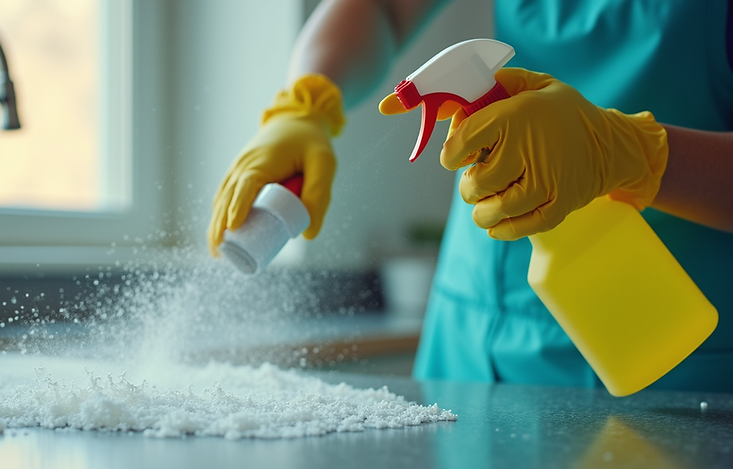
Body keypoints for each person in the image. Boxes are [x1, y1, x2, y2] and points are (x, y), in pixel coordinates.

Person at [208, 0, 733, 392]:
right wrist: (306, 103)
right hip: (470, 331)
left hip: (668, 347)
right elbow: (383, 7)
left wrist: (633, 152)